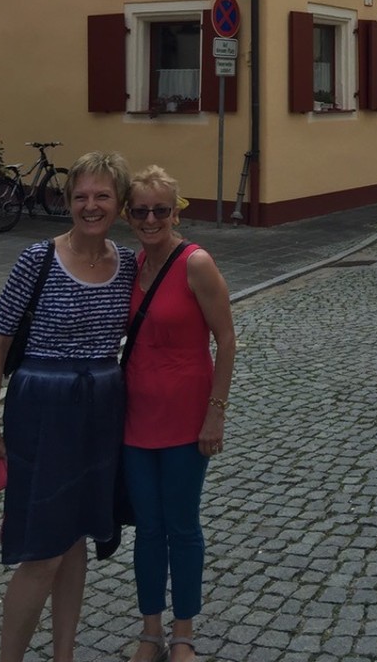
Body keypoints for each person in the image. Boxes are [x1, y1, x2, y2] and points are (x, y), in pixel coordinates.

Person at [0, 151, 135, 662]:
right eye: (81, 196)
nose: (91, 206)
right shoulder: (37, 258)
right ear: (67, 201)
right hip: (43, 410)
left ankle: (64, 654)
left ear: (120, 204)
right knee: (43, 549)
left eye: (102, 196)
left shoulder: (128, 264)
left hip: (101, 411)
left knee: (76, 539)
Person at [122, 166, 236, 662]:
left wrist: (216, 414)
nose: (151, 219)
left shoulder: (196, 263)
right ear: (129, 214)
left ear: (176, 211)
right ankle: (151, 631)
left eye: (161, 210)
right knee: (147, 529)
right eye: (141, 210)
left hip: (187, 416)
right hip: (134, 416)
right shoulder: (130, 267)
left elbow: (226, 339)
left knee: (182, 527)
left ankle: (183, 632)